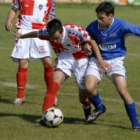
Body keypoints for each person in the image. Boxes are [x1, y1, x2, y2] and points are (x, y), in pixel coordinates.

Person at [12, 18, 111, 124]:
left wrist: (98, 58)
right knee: (53, 84)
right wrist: (21, 36)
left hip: (81, 59)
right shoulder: (47, 32)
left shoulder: (73, 30)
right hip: (64, 58)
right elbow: (36, 33)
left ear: (62, 31)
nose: (54, 41)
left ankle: (88, 106)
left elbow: (91, 40)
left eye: (56, 38)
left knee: (83, 97)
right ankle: (45, 116)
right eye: (52, 38)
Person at [85, 2, 140, 131]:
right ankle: (100, 107)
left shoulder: (121, 25)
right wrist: (85, 45)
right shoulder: (93, 26)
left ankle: (136, 124)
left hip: (115, 61)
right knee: (89, 87)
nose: (98, 20)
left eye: (102, 18)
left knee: (122, 90)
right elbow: (85, 38)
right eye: (98, 17)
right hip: (96, 60)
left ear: (110, 16)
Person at [5, 0, 57, 105]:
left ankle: (52, 95)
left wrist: (48, 24)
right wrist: (8, 21)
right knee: (23, 62)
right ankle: (20, 96)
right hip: (24, 30)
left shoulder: (50, 0)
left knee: (48, 62)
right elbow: (14, 8)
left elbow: (51, 16)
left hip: (40, 32)